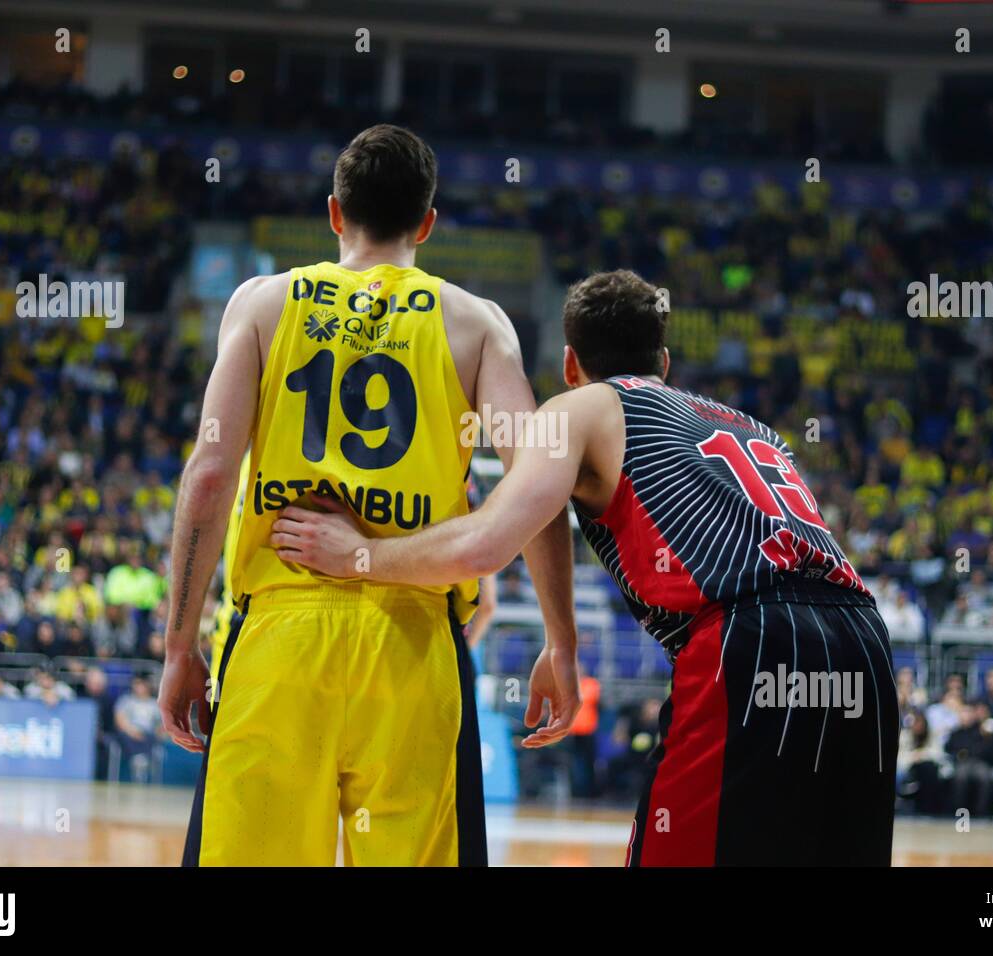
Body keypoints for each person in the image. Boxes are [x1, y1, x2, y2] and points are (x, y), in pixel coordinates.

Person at [272, 269, 898, 866]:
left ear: (572, 365)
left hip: (752, 635)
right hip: (865, 644)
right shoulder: (741, 422)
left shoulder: (581, 408)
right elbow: (552, 505)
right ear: (666, 362)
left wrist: (355, 554)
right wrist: (562, 642)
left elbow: (488, 541)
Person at [159, 125, 579, 867]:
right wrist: (561, 642)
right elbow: (538, 484)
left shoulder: (261, 304)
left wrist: (177, 644)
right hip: (413, 643)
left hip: (279, 636)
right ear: (426, 223)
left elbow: (211, 474)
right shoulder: (478, 324)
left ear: (332, 213)